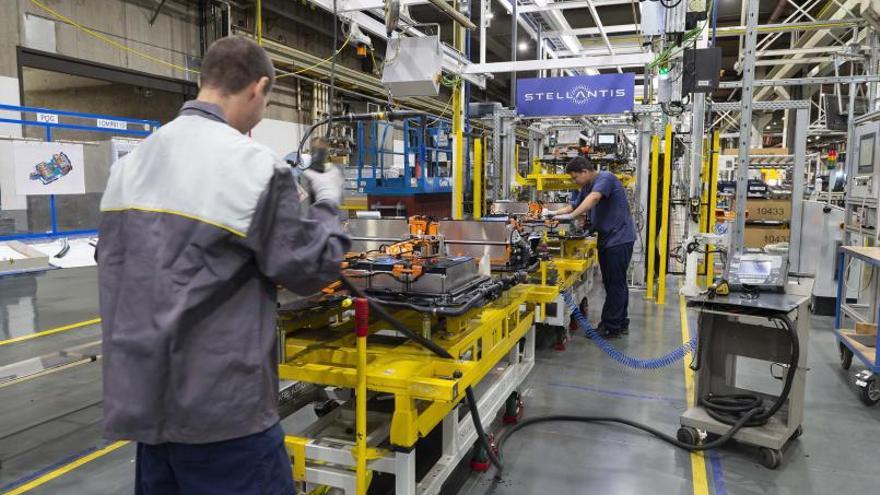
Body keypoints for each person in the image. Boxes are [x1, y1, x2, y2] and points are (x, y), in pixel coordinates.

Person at [98, 36, 350, 495]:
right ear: (258, 88)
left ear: (203, 82)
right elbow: (313, 268)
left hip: (149, 416)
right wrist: (329, 199)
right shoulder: (252, 167)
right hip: (225, 421)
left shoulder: (129, 166)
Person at [548, 157, 636, 338]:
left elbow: (594, 199)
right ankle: (621, 322)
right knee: (617, 283)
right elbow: (574, 205)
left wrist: (572, 216)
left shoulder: (605, 178)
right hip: (609, 239)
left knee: (614, 284)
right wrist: (553, 214)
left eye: (575, 178)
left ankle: (611, 326)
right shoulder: (587, 186)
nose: (574, 182)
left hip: (618, 240)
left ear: (585, 171)